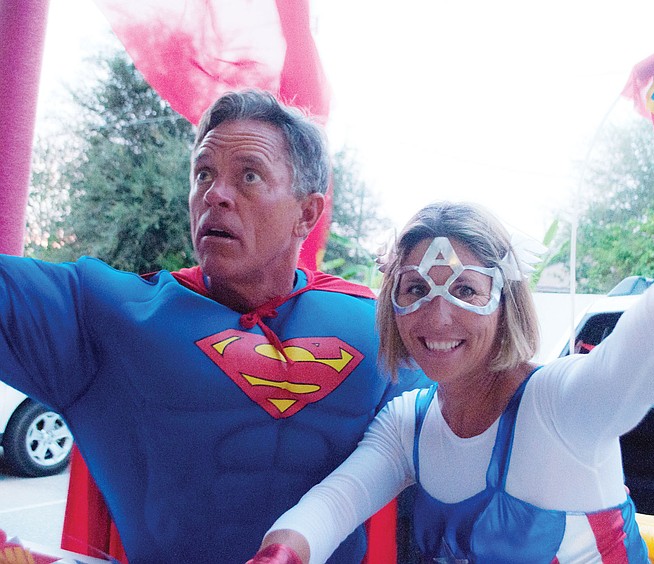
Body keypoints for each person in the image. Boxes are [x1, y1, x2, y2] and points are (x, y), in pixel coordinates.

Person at [248, 99, 654, 564]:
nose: (437, 317)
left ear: (504, 301)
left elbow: (635, 362)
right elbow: (336, 502)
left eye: (465, 290)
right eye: (414, 291)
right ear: (393, 308)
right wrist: (283, 550)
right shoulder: (409, 423)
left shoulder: (559, 408)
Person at [0, 89, 423, 564]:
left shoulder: (380, 329)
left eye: (249, 176)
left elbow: (483, 427)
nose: (215, 195)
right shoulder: (105, 314)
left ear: (307, 213)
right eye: (203, 174)